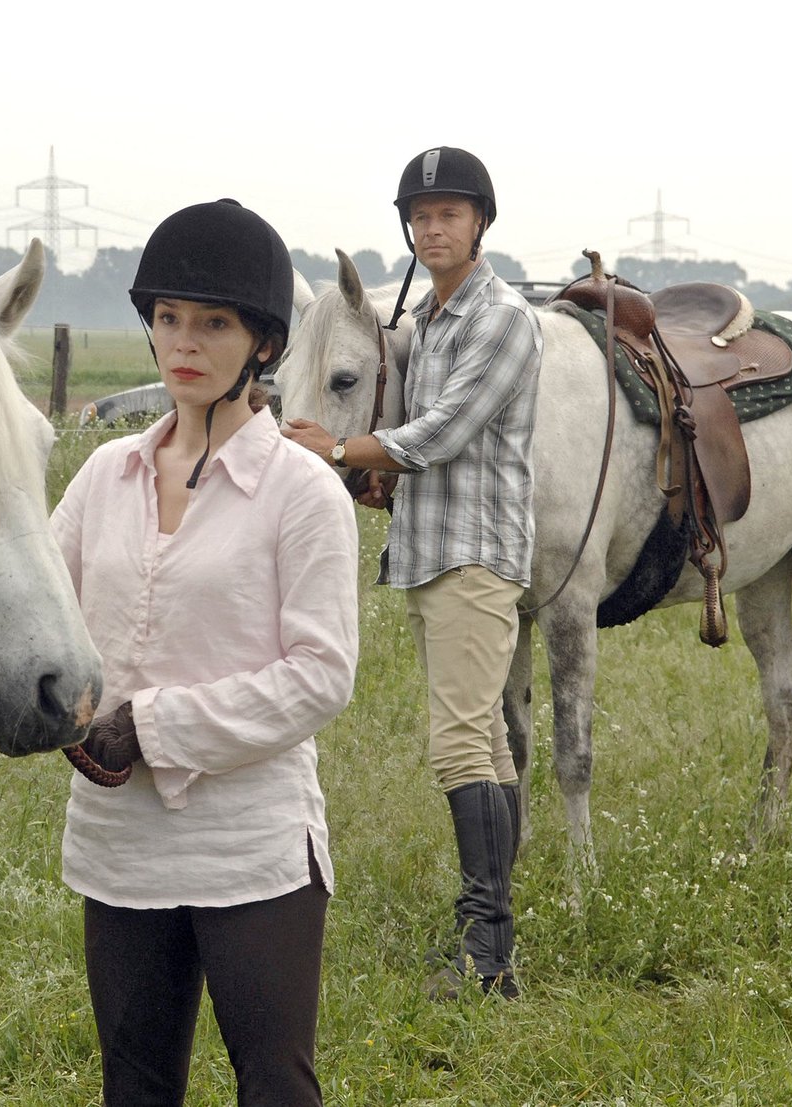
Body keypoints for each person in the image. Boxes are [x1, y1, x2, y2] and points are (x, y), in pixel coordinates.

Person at [0, 199, 360, 1105]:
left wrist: (153, 726)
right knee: (134, 1086)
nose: (184, 342)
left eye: (214, 323)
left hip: (251, 846)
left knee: (276, 1086)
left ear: (264, 344)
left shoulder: (303, 492)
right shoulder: (104, 475)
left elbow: (320, 675)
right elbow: (30, 615)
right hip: (122, 843)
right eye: (168, 317)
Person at [282, 147, 542, 1000]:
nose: (434, 229)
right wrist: (372, 473)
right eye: (421, 217)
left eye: (449, 215)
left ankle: (488, 953)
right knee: (487, 739)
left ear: (480, 224)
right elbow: (412, 440)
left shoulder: (501, 319)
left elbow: (441, 432)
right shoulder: (426, 321)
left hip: (475, 553)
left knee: (458, 742)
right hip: (432, 552)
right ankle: (491, 934)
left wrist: (337, 449)